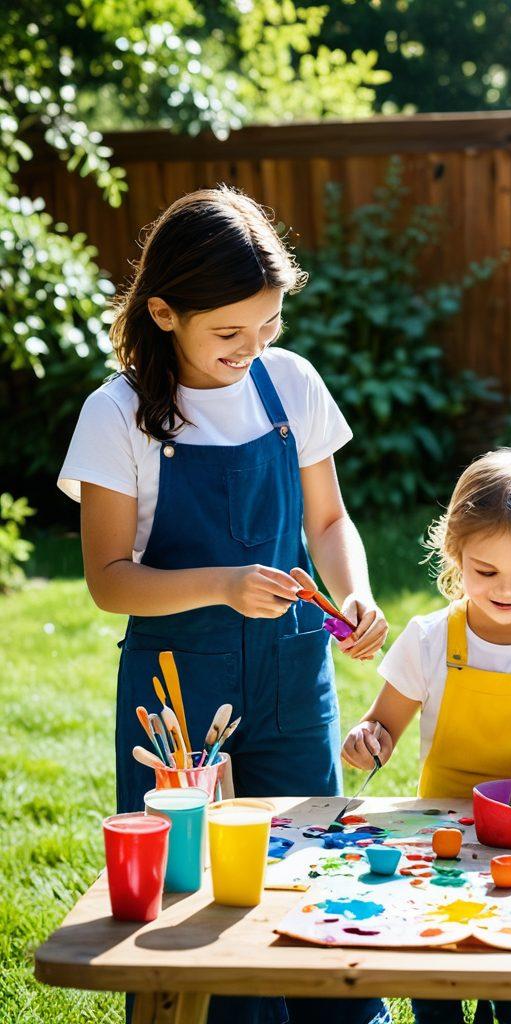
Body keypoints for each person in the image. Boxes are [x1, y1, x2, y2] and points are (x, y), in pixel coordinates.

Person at [59, 186, 390, 1024]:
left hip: (291, 677)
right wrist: (220, 583)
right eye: (229, 333)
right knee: (191, 892)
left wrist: (353, 592)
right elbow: (107, 577)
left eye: (268, 327)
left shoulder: (291, 385)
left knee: (313, 869)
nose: (253, 348)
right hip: (176, 689)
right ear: (164, 312)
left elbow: (328, 517)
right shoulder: (117, 414)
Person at [344, 449, 511, 1024]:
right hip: (442, 841)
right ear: (454, 553)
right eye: (485, 571)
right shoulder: (426, 640)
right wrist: (366, 739)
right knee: (438, 989)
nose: (506, 589)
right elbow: (382, 727)